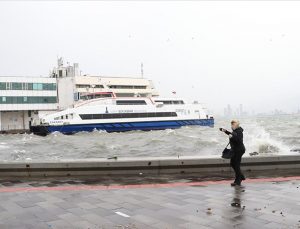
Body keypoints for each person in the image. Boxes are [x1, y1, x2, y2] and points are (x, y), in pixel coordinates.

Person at [220, 120, 246, 186]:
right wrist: (225, 131)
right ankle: (241, 176)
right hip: (235, 150)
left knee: (236, 165)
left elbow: (238, 140)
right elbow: (232, 135)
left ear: (236, 125)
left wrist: (232, 137)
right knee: (232, 164)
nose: (232, 126)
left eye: (233, 125)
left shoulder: (239, 131)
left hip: (239, 150)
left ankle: (238, 181)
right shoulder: (235, 131)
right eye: (231, 125)